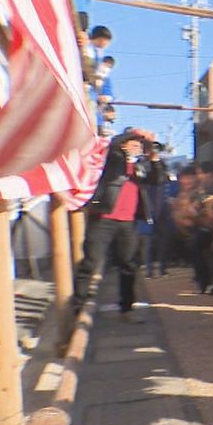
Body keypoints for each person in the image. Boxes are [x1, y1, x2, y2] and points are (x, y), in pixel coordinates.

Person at [71, 128, 165, 321]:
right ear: (124, 144)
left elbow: (158, 179)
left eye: (140, 145)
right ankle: (78, 307)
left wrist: (154, 157)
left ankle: (127, 308)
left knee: (129, 264)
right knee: (90, 261)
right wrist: (136, 133)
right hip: (103, 217)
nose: (137, 147)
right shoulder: (113, 158)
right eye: (134, 143)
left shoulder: (141, 166)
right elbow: (114, 143)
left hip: (128, 222)